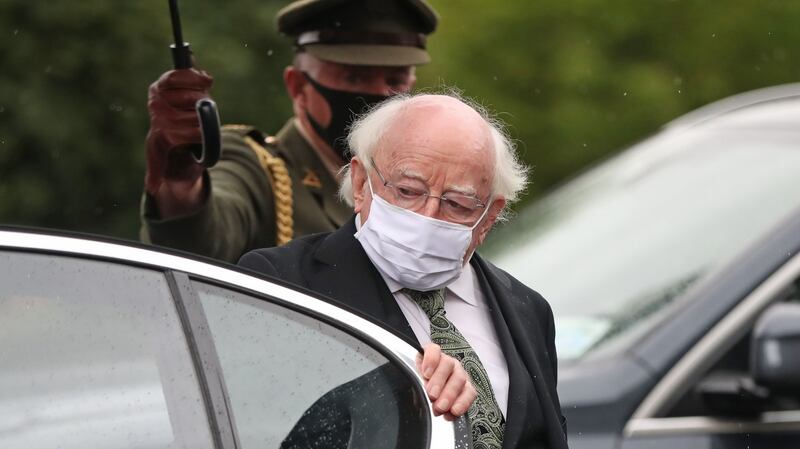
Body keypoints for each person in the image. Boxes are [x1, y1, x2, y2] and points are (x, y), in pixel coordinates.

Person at [239, 93, 568, 449]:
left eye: (457, 204)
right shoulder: (283, 282)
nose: (427, 217)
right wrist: (398, 391)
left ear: (488, 217)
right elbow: (260, 430)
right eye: (408, 191)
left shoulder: (528, 309)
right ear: (362, 183)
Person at [140, 0, 439, 263]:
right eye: (355, 77)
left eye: (395, 80)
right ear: (298, 86)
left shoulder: (426, 190)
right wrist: (181, 183)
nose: (379, 95)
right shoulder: (261, 172)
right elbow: (198, 248)